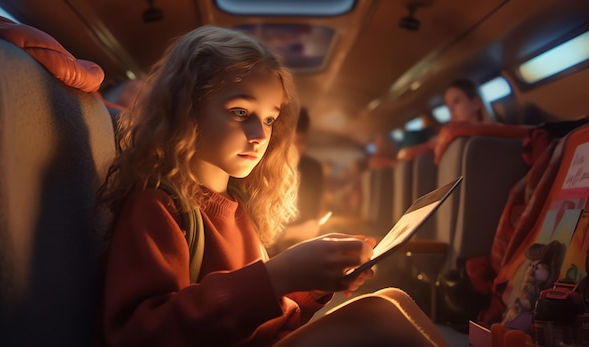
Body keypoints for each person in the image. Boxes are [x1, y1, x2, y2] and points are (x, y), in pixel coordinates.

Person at [95, 25, 448, 347]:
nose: (260, 135)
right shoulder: (158, 207)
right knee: (378, 318)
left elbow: (266, 317)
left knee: (393, 299)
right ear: (187, 109)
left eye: (269, 119)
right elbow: (139, 334)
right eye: (240, 113)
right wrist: (277, 274)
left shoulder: (235, 204)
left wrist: (312, 285)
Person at [269, 107, 326, 254]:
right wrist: (292, 232)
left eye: (300, 141)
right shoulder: (256, 171)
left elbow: (314, 213)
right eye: (290, 141)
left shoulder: (312, 169)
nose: (296, 148)